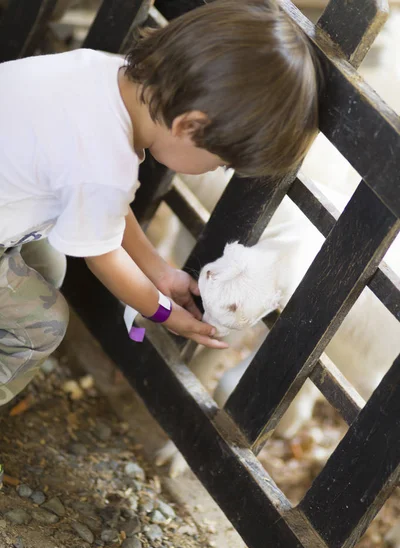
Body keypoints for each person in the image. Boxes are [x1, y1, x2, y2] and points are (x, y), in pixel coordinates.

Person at [0, 0, 320, 404]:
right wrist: (163, 312)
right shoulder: (105, 167)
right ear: (190, 125)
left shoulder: (100, 73)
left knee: (47, 266)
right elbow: (101, 253)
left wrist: (161, 273)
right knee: (41, 325)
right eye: (221, 163)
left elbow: (105, 215)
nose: (212, 171)